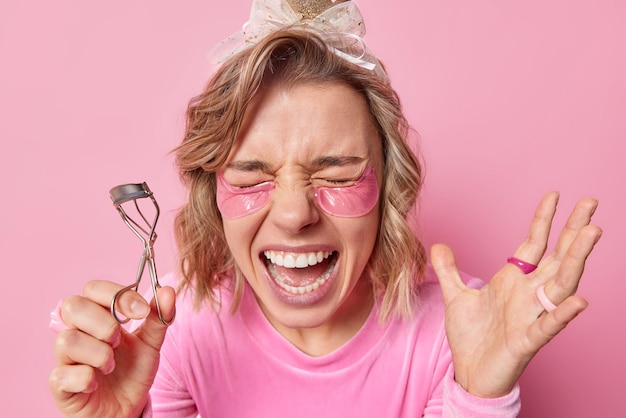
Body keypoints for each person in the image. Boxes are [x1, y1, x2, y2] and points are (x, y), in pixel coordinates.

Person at [48, 1, 602, 417]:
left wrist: (480, 397)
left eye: (336, 175)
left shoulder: (456, 333)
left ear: (389, 190)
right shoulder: (176, 331)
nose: (294, 214)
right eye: (250, 176)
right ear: (210, 196)